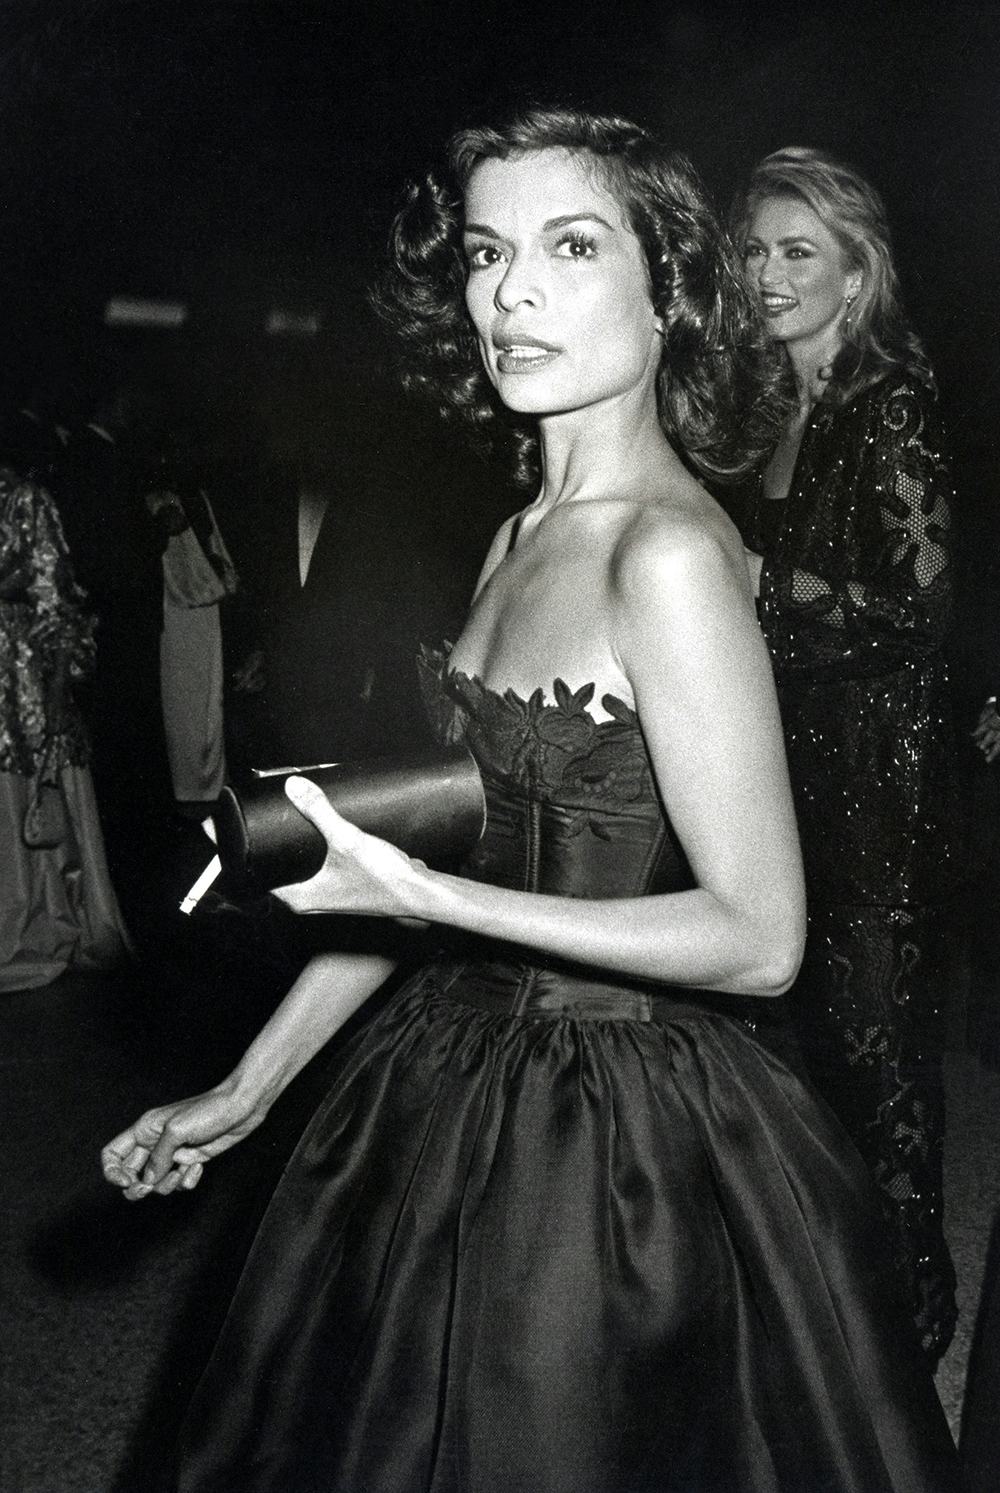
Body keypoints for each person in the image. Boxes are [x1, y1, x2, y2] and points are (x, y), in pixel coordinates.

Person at [101, 108, 959, 1492]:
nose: (511, 294)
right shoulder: (517, 534)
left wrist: (430, 895)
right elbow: (431, 863)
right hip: (452, 1068)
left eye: (570, 247)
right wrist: (247, 1088)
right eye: (487, 253)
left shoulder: (668, 556)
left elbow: (760, 938)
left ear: (669, 290)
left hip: (619, 1132)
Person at [729, 146, 963, 1365]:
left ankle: (914, 1349)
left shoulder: (891, 405)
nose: (766, 272)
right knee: (800, 1077)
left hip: (882, 793)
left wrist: (757, 582)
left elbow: (917, 606)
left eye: (797, 250)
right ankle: (833, 1343)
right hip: (788, 782)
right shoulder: (775, 412)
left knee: (883, 1093)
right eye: (755, 249)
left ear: (856, 274)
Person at [0, 463, 131, 991]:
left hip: (19, 687)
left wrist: (54, 701)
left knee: (33, 810)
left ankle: (36, 926)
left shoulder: (26, 500)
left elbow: (58, 608)